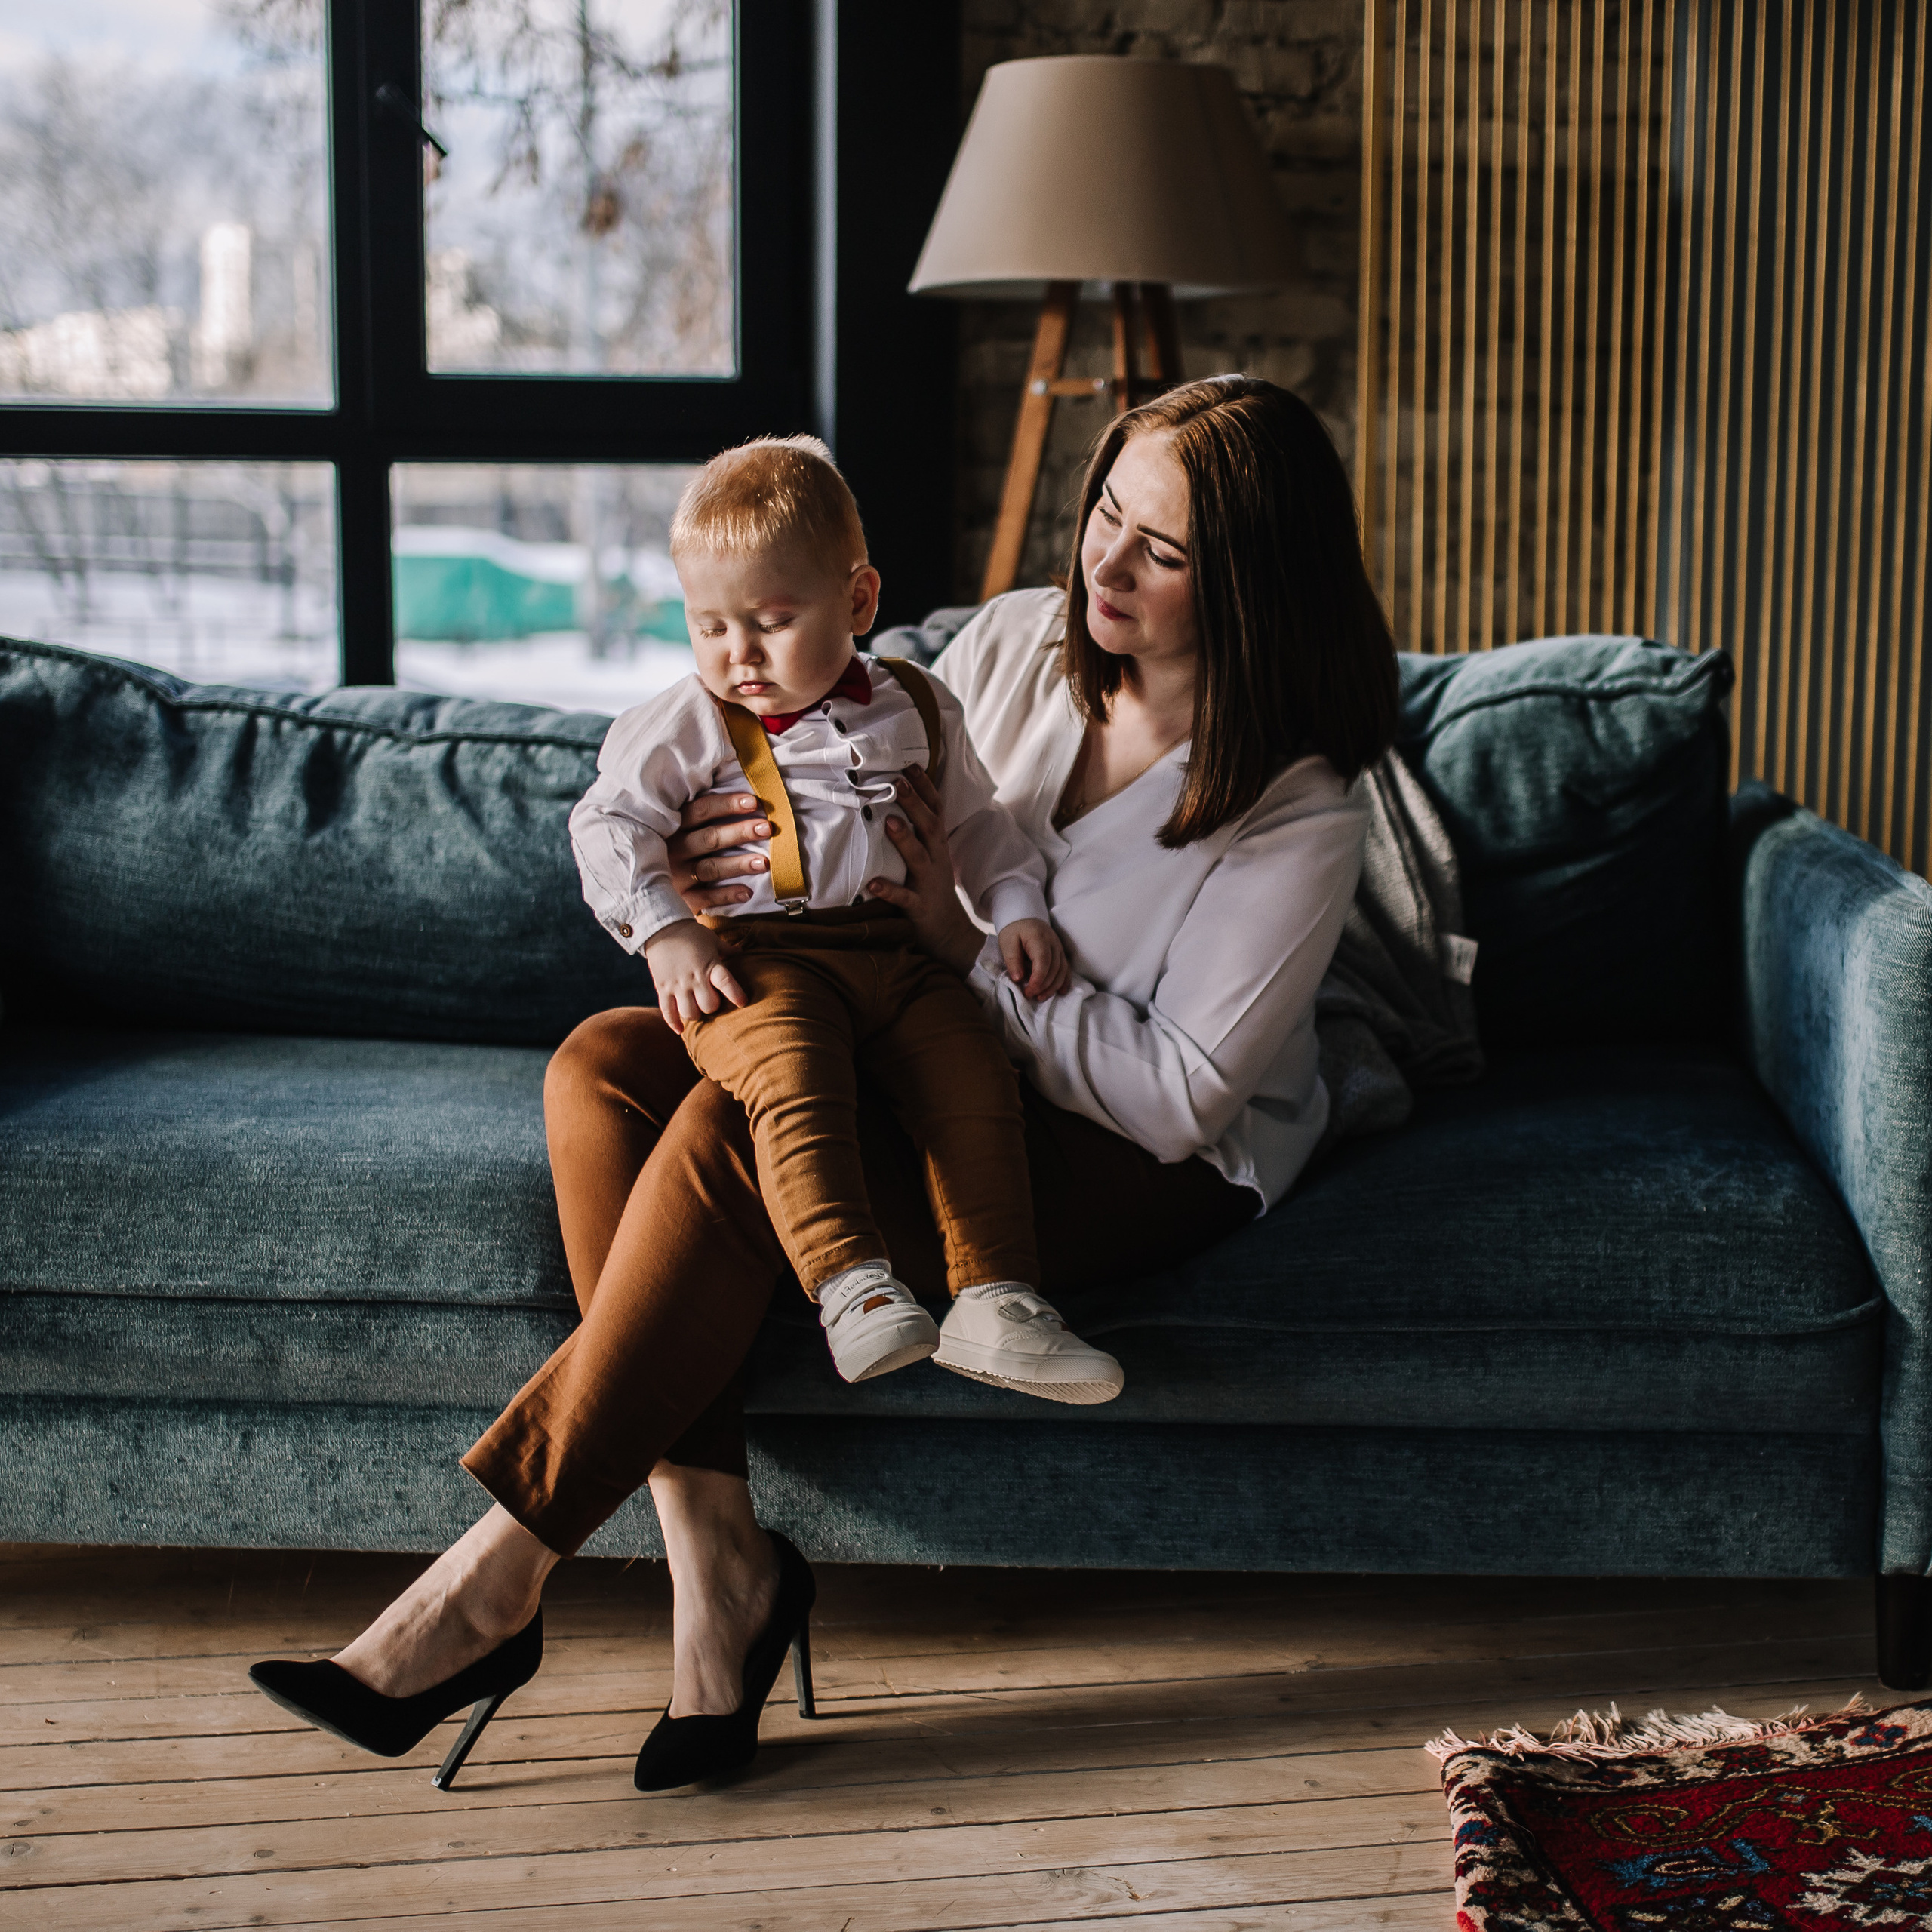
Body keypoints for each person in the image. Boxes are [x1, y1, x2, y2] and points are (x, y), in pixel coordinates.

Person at [247, 374, 1399, 1799]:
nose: (1103, 564)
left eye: (1160, 551)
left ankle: (490, 1582)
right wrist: (739, 858)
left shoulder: (1300, 808)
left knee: (739, 1135)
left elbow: (1179, 1093)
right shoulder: (1022, 642)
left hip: (1130, 1155)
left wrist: (946, 950)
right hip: (908, 1034)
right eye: (1107, 511)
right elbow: (838, 741)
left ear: (1254, 582)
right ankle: (719, 1569)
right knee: (608, 1064)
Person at [571, 435, 1121, 1400]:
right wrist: (668, 929)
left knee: (971, 1064)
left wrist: (1015, 908)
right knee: (790, 1069)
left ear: (858, 602)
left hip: (899, 954)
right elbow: (607, 823)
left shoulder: (917, 701)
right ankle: (851, 1284)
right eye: (710, 627)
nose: (738, 655)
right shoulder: (689, 722)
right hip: (761, 960)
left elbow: (978, 819)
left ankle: (997, 1296)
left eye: (772, 622)